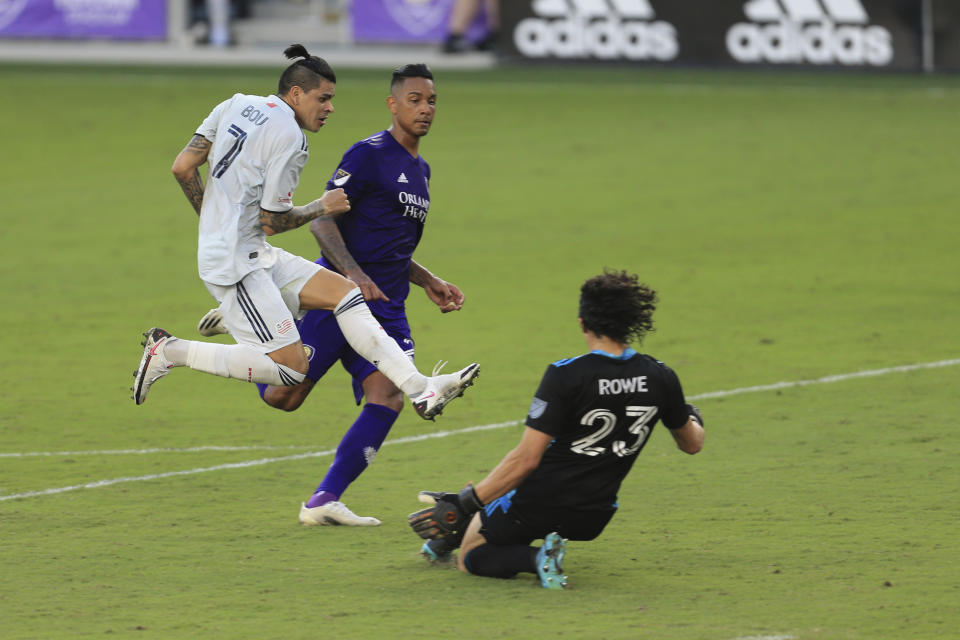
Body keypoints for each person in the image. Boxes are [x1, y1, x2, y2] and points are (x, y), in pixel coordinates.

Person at [132, 45, 479, 434]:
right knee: (291, 374)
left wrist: (215, 220)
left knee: (345, 294)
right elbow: (272, 221)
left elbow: (183, 167)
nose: (330, 108)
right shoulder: (291, 140)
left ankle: (421, 389)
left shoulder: (235, 104)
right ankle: (171, 351)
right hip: (235, 265)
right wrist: (322, 205)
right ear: (296, 94)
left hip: (250, 253)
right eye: (324, 98)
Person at [196, 63, 470, 527]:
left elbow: (392, 244)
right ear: (393, 104)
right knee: (283, 397)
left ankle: (322, 501)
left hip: (387, 304)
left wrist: (428, 281)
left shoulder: (421, 170)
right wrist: (352, 274)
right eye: (415, 100)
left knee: (388, 397)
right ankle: (257, 316)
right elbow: (323, 219)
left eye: (432, 101)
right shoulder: (368, 154)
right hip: (341, 294)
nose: (425, 109)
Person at [408, 271, 705, 589]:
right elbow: (691, 443)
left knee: (473, 556)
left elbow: (526, 461)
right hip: (595, 514)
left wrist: (466, 502)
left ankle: (536, 559)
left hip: (538, 505)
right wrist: (693, 415)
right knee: (496, 493)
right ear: (633, 321)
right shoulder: (661, 376)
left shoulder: (568, 375)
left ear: (582, 322)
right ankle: (447, 540)